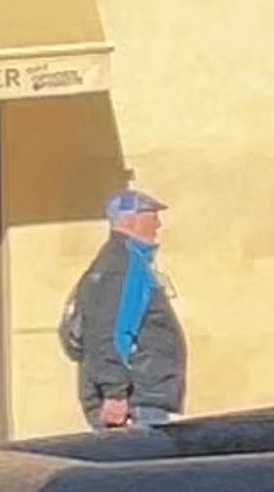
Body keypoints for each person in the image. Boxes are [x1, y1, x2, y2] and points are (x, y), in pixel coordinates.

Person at [60, 181, 185, 437]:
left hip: (131, 397)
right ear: (131, 220)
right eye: (152, 217)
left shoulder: (111, 262)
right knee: (145, 472)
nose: (158, 225)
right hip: (135, 401)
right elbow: (111, 331)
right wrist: (115, 393)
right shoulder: (124, 265)